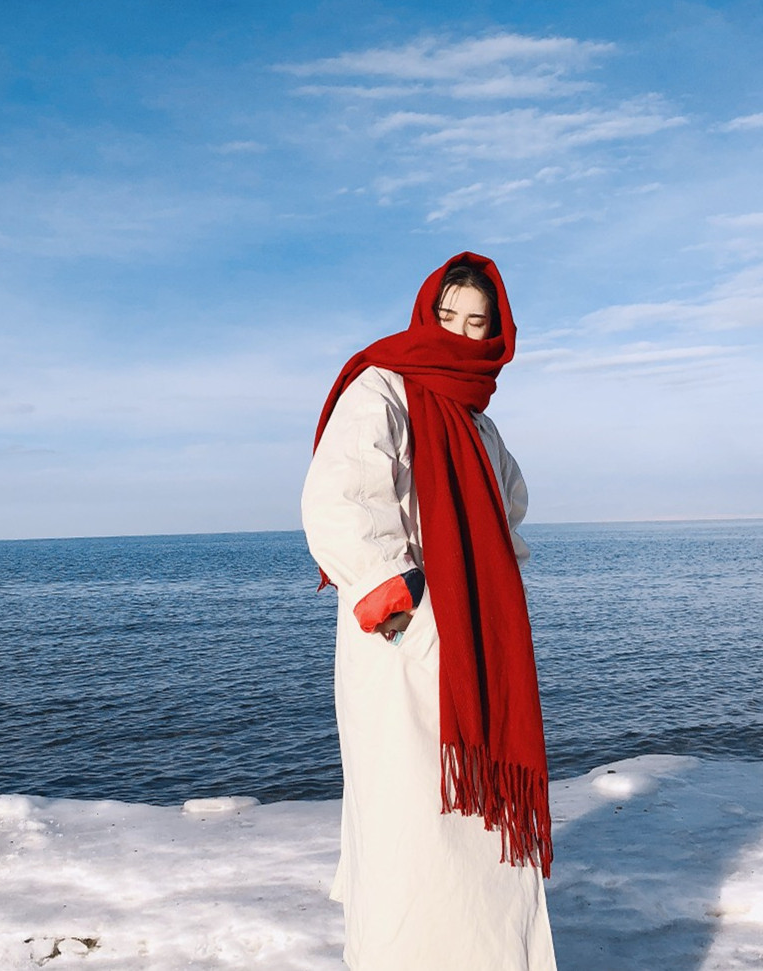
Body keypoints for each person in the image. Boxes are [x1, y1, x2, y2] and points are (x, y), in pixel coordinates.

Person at [301, 252, 557, 971]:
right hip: (406, 641)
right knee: (406, 827)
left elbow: (509, 513)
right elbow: (339, 499)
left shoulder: (478, 423)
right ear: (425, 314)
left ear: (494, 336)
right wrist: (401, 607)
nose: (459, 333)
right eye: (448, 317)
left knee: (476, 836)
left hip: (471, 632)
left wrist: (487, 594)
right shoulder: (380, 386)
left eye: (477, 323)